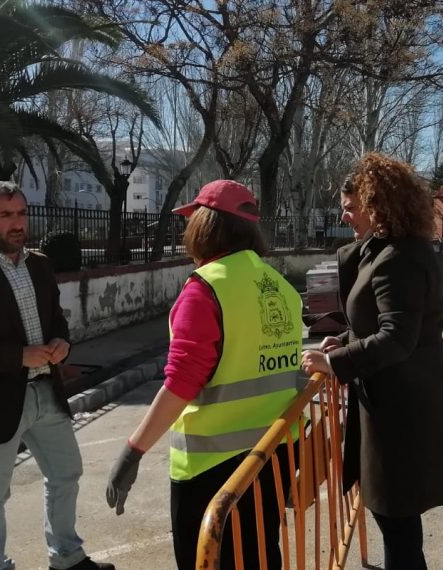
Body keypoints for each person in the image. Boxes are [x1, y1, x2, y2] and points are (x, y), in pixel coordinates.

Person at [104, 180, 304, 570]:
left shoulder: (205, 289)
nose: (185, 232)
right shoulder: (280, 286)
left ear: (206, 226)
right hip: (274, 454)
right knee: (261, 556)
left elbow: (181, 382)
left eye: (191, 221)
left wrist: (134, 449)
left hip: (213, 468)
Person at [0, 181, 112, 570]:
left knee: (67, 474)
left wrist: (61, 343)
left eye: (21, 213)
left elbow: (55, 319)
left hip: (46, 391)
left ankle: (66, 557)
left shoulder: (39, 264)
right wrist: (19, 356)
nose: (17, 224)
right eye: (6, 215)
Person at [300, 152, 443, 570]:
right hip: (401, 393)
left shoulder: (397, 259)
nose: (344, 215)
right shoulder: (390, 251)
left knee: (396, 513)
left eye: (351, 208)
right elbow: (384, 321)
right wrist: (346, 339)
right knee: (397, 515)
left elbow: (397, 337)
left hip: (403, 402)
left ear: (376, 205)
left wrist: (335, 363)